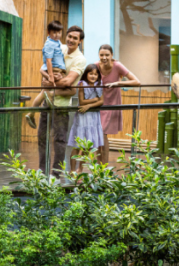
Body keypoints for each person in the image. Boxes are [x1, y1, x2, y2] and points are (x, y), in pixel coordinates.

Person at [38, 25, 87, 175]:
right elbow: (44, 67)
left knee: (59, 140)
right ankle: (42, 170)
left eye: (75, 38)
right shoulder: (59, 47)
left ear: (80, 41)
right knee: (41, 136)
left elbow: (68, 82)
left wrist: (49, 82)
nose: (71, 40)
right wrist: (49, 77)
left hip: (62, 104)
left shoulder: (80, 59)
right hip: (47, 100)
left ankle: (56, 174)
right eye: (69, 36)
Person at [97, 44, 141, 163]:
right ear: (98, 55)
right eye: (102, 55)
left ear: (112, 56)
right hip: (97, 103)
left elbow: (137, 81)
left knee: (102, 133)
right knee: (98, 134)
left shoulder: (117, 65)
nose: (104, 57)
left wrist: (118, 83)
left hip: (111, 103)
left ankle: (103, 167)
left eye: (107, 55)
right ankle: (98, 165)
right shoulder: (95, 66)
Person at [24, 20, 65, 130]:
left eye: (59, 32)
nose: (57, 35)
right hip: (53, 70)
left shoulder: (56, 42)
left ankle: (31, 114)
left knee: (43, 93)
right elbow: (48, 61)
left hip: (53, 70)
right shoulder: (50, 44)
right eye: (54, 33)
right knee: (45, 93)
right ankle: (31, 114)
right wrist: (50, 76)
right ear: (48, 33)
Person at [67, 64, 105, 173]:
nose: (93, 76)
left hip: (93, 116)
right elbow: (82, 101)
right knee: (78, 145)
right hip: (83, 117)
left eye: (95, 74)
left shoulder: (99, 84)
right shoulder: (82, 84)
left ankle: (80, 168)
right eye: (91, 74)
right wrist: (95, 100)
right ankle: (72, 169)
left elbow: (101, 101)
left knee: (87, 146)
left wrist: (89, 106)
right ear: (86, 74)